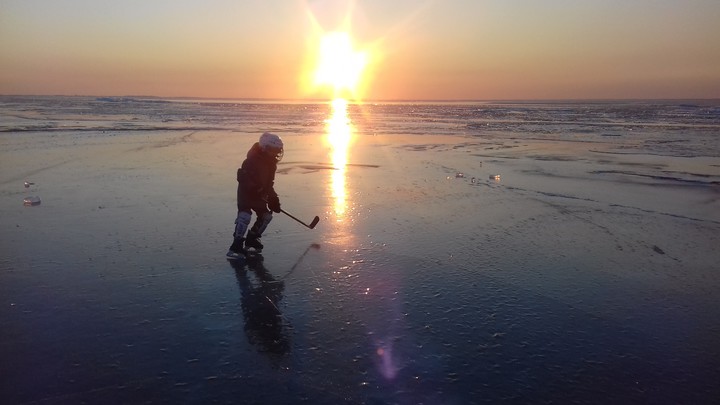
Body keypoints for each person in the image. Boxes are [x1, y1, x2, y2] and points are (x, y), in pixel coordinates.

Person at [227, 132, 283, 258]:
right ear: (264, 148)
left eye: (277, 150)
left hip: (260, 195)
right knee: (245, 216)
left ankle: (252, 238)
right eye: (272, 150)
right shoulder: (251, 160)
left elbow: (269, 184)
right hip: (247, 194)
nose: (275, 153)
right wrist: (254, 188)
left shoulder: (271, 164)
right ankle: (236, 245)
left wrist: (273, 198)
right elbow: (242, 176)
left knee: (266, 216)